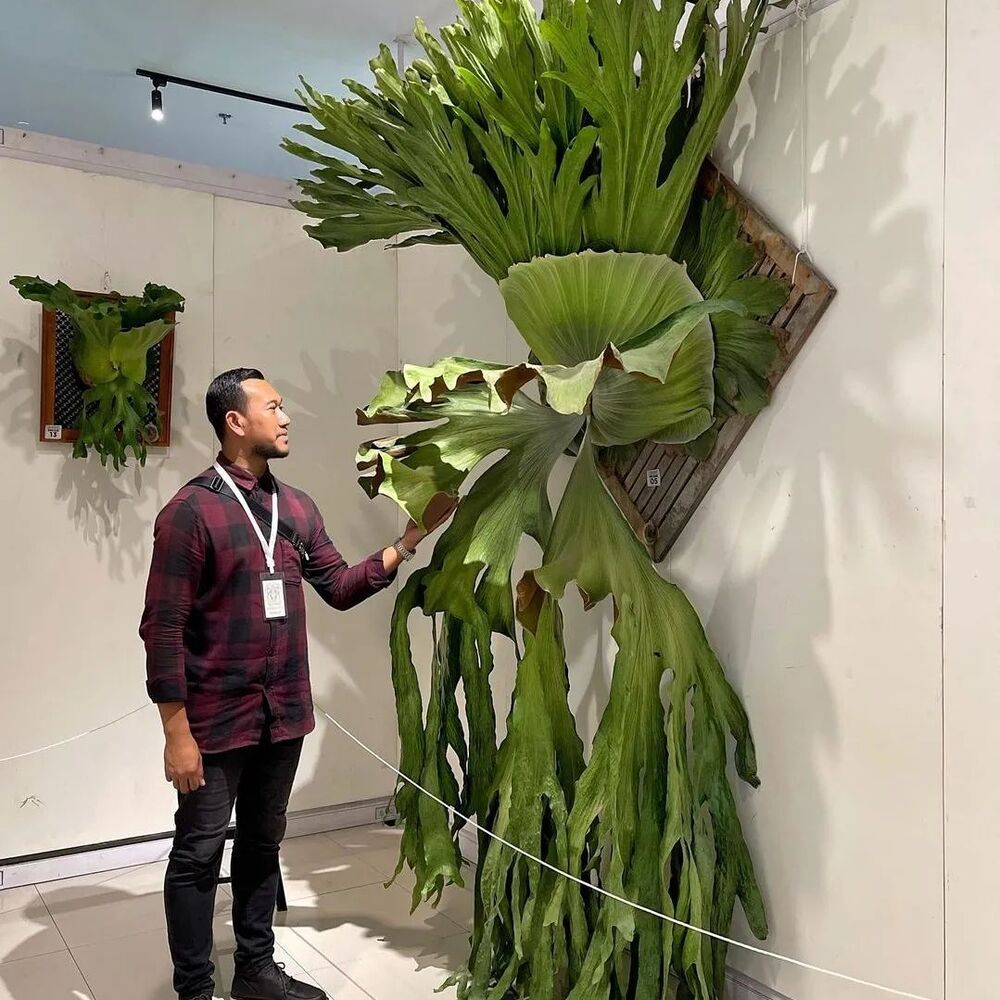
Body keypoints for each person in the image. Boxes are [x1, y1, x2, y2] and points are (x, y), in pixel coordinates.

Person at [139, 368, 454, 1000]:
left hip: (282, 715)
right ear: (235, 421)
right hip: (213, 722)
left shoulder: (297, 507)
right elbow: (162, 627)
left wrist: (409, 540)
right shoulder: (191, 512)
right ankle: (196, 990)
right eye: (274, 407)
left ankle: (255, 970)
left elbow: (338, 586)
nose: (286, 419)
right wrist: (176, 732)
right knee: (199, 853)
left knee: (262, 842)